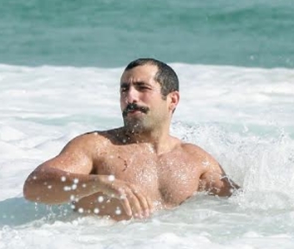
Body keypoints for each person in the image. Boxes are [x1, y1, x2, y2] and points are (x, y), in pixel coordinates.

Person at [23, 58, 238, 220]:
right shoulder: (97, 147)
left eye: (142, 88)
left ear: (172, 100)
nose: (130, 97)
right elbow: (34, 186)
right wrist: (98, 183)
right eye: (124, 89)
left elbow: (239, 209)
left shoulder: (195, 161)